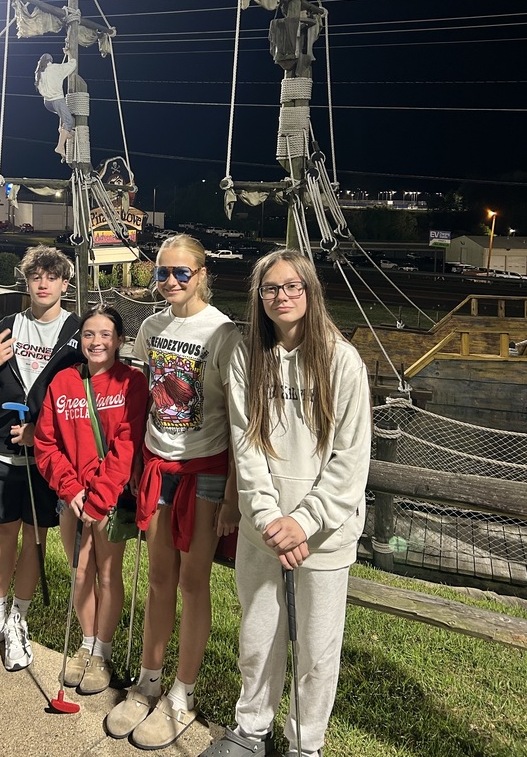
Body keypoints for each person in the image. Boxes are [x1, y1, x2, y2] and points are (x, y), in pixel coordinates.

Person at [199, 249, 371, 757]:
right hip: (264, 531)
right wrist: (270, 518)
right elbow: (245, 446)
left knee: (317, 649)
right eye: (271, 288)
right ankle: (250, 730)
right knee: (258, 637)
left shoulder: (343, 361)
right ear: (259, 297)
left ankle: (305, 743)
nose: (282, 296)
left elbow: (350, 458)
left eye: (293, 286)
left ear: (310, 291)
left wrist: (305, 521)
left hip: (324, 535)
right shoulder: (246, 357)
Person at [105, 234, 242, 749]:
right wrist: (136, 461)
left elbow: (239, 417)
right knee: (159, 578)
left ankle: (182, 693)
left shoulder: (223, 333)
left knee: (192, 582)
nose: (169, 281)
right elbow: (145, 396)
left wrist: (232, 494)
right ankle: (148, 680)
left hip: (204, 471)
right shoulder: (151, 327)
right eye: (162, 272)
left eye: (181, 272)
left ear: (201, 274)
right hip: (158, 466)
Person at [0, 245, 82, 670]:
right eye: (35, 277)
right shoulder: (8, 326)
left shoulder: (76, 334)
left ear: (65, 284)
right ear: (25, 282)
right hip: (1, 448)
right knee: (3, 533)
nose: (43, 284)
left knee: (36, 536)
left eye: (52, 277)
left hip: (49, 456)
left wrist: (40, 434)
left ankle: (17, 621)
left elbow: (80, 401)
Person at [34, 305, 148, 693]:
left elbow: (127, 444)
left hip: (109, 498)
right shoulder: (63, 381)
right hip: (73, 497)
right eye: (88, 334)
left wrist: (99, 497)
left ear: (119, 341)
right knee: (81, 572)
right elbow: (46, 443)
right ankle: (86, 644)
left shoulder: (132, 382)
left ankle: (103, 651)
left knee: (107, 573)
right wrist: (71, 489)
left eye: (105, 335)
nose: (96, 342)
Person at [34, 52, 77, 160]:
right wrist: (69, 54)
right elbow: (72, 64)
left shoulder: (39, 73)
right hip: (57, 100)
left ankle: (62, 130)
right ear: (50, 61)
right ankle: (60, 146)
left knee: (63, 114)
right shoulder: (55, 68)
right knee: (69, 121)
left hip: (47, 103)